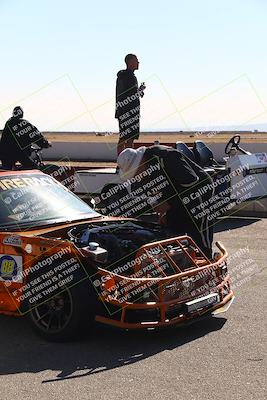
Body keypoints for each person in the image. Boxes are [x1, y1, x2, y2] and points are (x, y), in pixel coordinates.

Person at [117, 145, 215, 258]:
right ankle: (179, 258)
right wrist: (164, 211)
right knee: (171, 224)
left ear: (141, 161)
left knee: (198, 225)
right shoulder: (144, 171)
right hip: (176, 193)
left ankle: (206, 258)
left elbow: (190, 183)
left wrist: (168, 204)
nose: (137, 176)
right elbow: (158, 191)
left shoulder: (167, 156)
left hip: (198, 189)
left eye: (136, 172)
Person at [115, 54, 146, 156]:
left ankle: (127, 162)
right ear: (130, 62)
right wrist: (140, 90)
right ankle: (124, 163)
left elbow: (131, 94)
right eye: (136, 60)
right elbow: (130, 94)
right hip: (127, 111)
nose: (138, 63)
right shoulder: (128, 77)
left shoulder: (127, 76)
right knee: (125, 138)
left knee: (128, 138)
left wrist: (139, 91)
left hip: (127, 111)